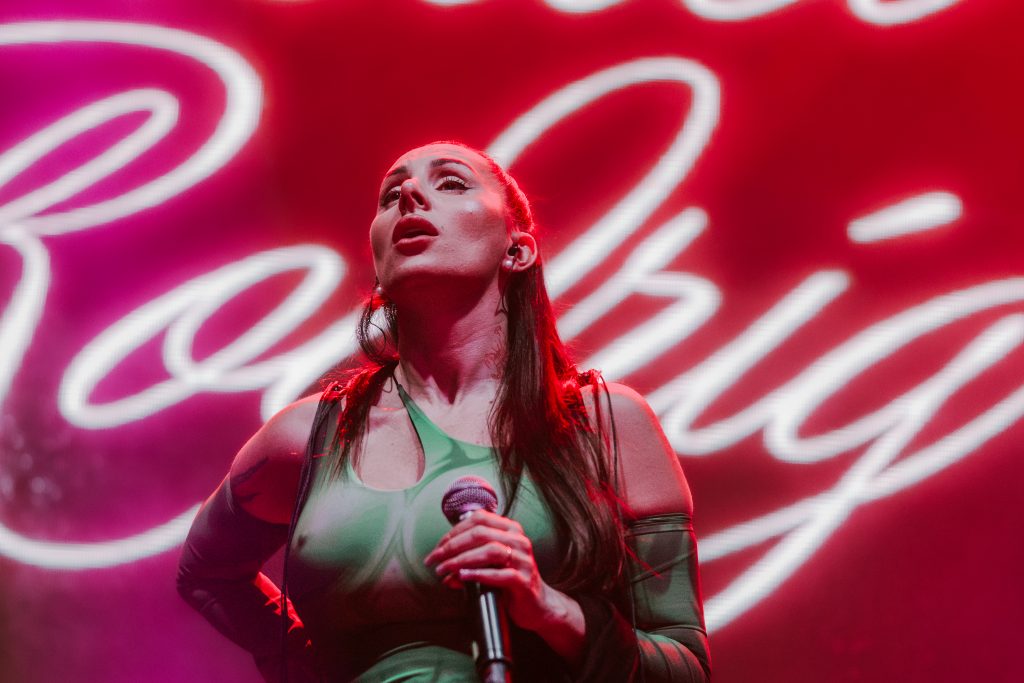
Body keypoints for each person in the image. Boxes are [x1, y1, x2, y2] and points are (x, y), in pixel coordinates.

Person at [177, 141, 711, 682]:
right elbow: (206, 574)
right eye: (391, 196)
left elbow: (686, 668)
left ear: (517, 250)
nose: (409, 194)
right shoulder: (308, 435)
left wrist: (552, 610)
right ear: (378, 264)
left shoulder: (605, 424)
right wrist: (303, 663)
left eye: (451, 183)